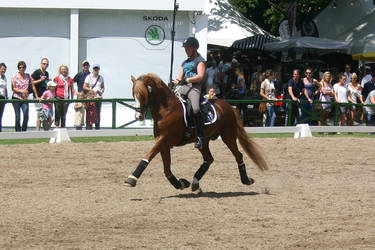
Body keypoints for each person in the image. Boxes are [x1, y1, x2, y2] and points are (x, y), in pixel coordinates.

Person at [173, 36, 206, 149]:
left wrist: (187, 80)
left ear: (194, 48)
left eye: (188, 48)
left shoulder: (200, 61)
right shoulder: (184, 62)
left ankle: (200, 137)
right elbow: (179, 78)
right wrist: (174, 82)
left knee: (196, 108)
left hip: (194, 87)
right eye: (185, 48)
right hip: (183, 87)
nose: (186, 50)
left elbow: (200, 76)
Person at [83, 64, 104, 129]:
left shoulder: (101, 77)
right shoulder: (89, 77)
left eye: (97, 69)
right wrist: (92, 90)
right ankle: (89, 128)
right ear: (93, 69)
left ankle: (97, 128)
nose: (96, 70)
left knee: (98, 113)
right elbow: (84, 86)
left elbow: (103, 87)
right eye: (95, 69)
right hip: (91, 97)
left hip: (98, 97)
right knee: (90, 113)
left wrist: (100, 91)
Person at [31, 58, 50, 131]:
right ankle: (38, 131)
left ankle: (44, 131)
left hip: (44, 97)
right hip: (38, 96)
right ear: (41, 64)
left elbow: (46, 85)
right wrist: (36, 96)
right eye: (44, 64)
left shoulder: (46, 73)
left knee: (43, 115)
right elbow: (32, 83)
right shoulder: (37, 72)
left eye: (47, 64)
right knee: (40, 114)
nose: (45, 65)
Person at [11, 61, 31, 132]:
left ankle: (24, 130)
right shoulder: (14, 76)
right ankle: (18, 132)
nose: (21, 69)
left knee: (26, 115)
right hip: (16, 98)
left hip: (25, 98)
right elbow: (13, 88)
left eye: (23, 67)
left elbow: (32, 84)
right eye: (20, 67)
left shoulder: (28, 76)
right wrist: (22, 91)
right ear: (18, 68)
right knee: (18, 116)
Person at [0, 63, 8, 132]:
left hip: (2, 97)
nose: (3, 70)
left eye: (4, 69)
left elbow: (5, 88)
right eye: (2, 69)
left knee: (1, 114)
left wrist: (6, 96)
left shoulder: (4, 77)